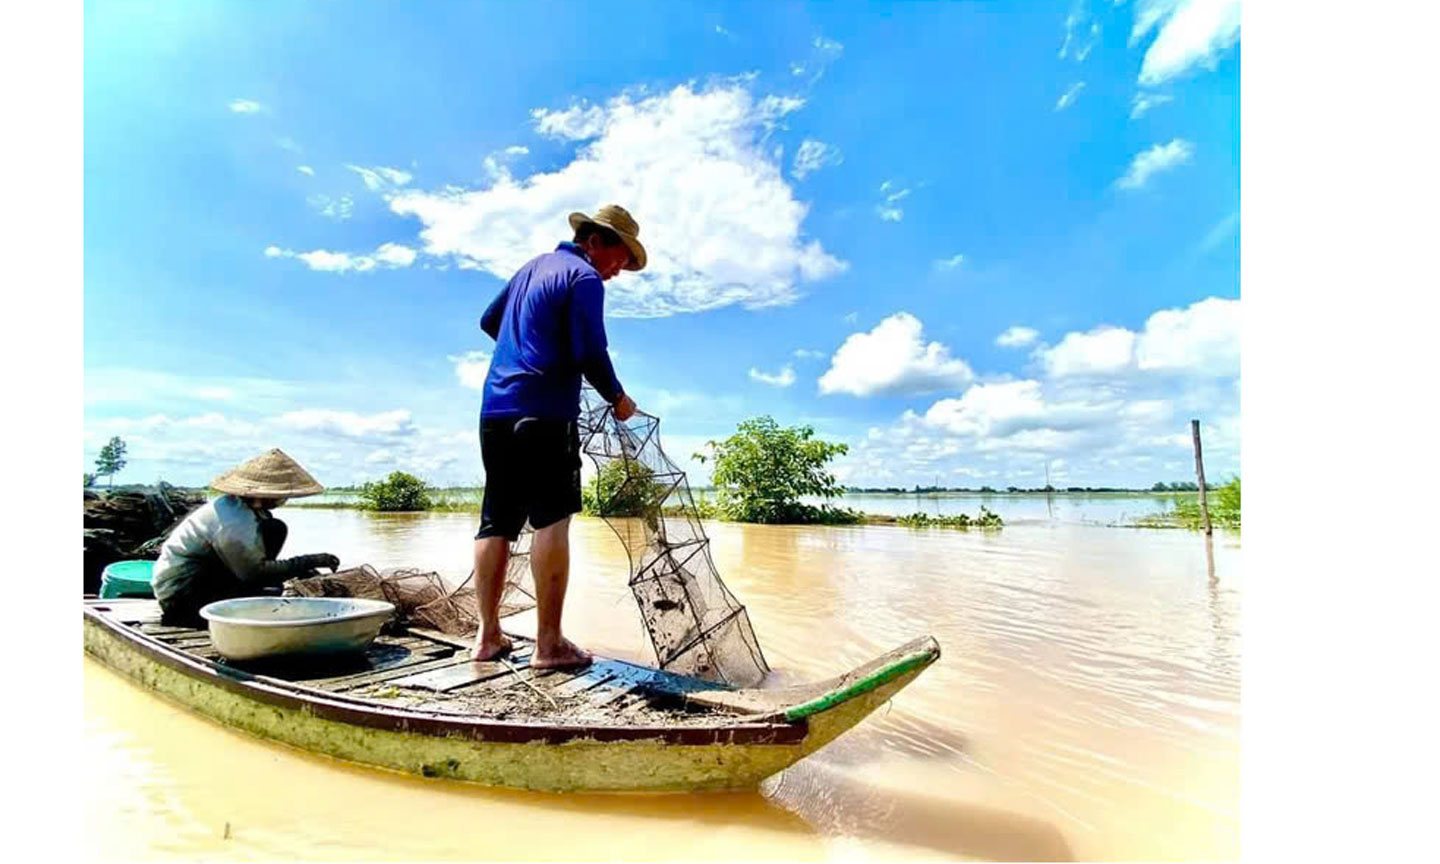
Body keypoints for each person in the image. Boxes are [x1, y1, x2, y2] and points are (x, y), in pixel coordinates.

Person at [471, 205, 643, 669]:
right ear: (598, 241)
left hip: (496, 410)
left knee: (497, 519)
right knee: (553, 519)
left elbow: (490, 322)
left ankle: (487, 638)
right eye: (621, 260)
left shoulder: (530, 269)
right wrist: (618, 398)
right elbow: (590, 349)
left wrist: (526, 343)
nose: (618, 273)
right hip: (545, 412)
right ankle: (549, 646)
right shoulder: (583, 277)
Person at [153, 448, 341, 626]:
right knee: (271, 595)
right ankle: (195, 614)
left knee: (274, 528)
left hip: (209, 578)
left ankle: (245, 593)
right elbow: (254, 572)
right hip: (183, 596)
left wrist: (300, 569)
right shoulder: (233, 522)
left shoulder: (242, 508)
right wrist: (310, 561)